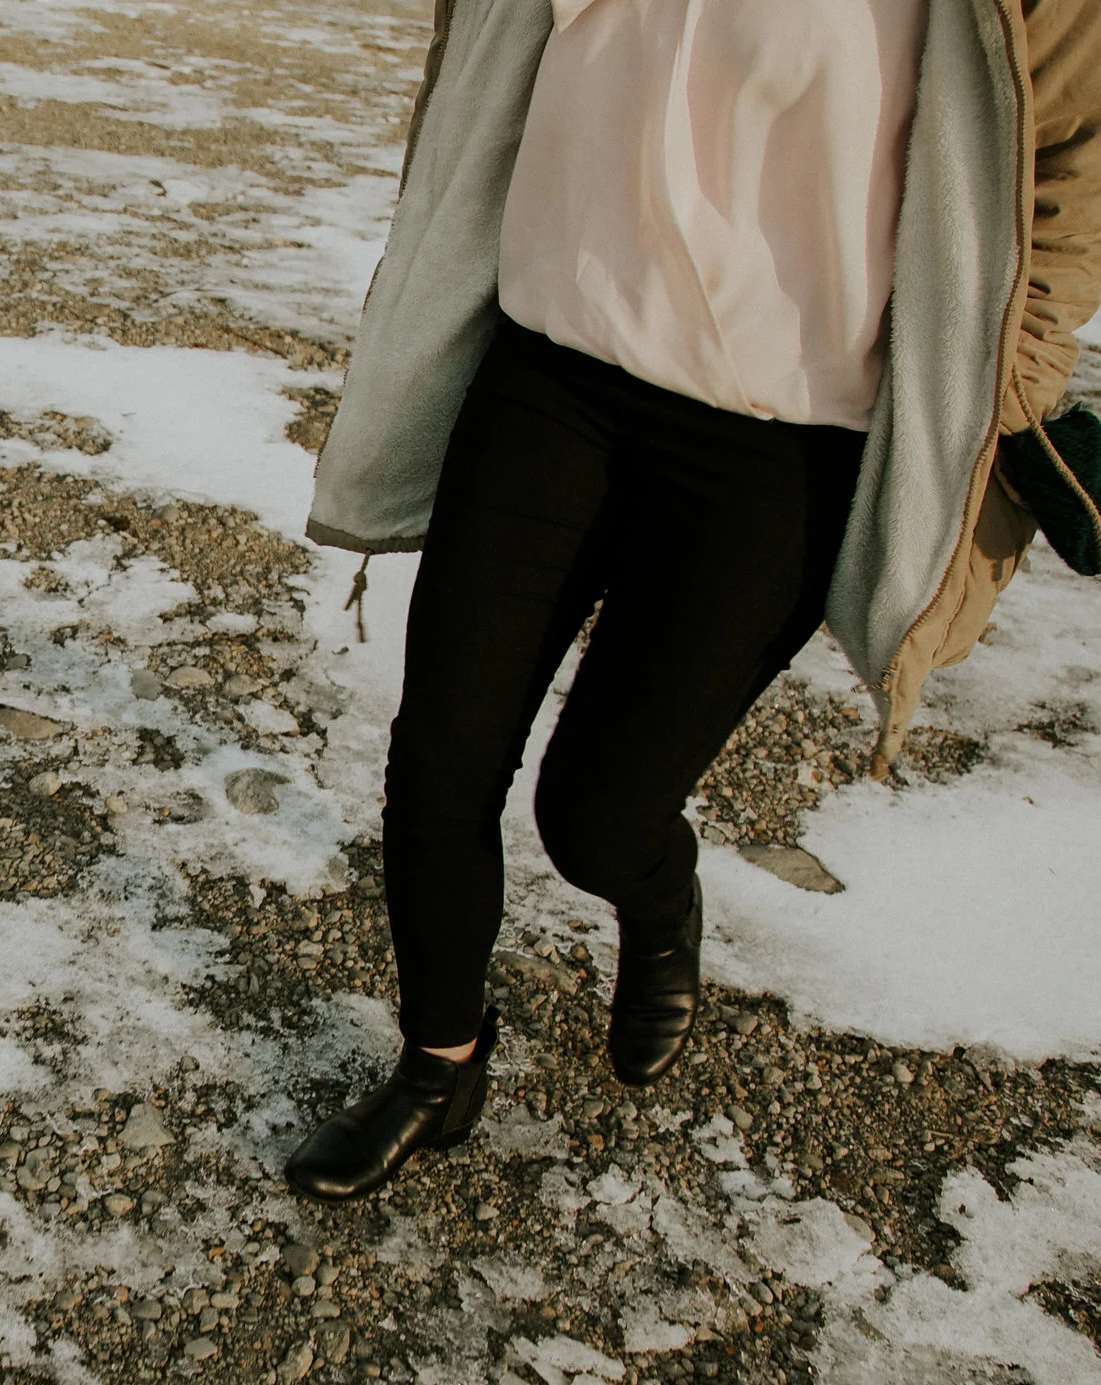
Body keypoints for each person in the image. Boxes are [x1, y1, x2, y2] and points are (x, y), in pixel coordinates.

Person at [286, 0, 1101, 1201]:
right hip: (552, 369)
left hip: (781, 434)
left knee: (596, 815)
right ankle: (437, 1063)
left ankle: (658, 901)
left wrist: (1013, 384)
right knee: (441, 754)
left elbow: (1066, 161)